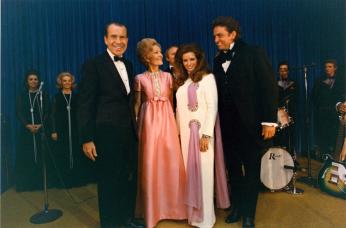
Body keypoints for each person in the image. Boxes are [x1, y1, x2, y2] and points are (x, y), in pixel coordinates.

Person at [212, 16, 278, 228]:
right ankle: (238, 208)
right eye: (214, 36)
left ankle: (249, 215)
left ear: (233, 34)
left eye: (220, 35)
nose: (216, 40)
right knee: (233, 171)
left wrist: (269, 121)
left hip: (251, 126)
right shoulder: (217, 60)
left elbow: (269, 87)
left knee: (250, 171)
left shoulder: (253, 52)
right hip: (227, 127)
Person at [77, 22, 139, 228]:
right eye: (114, 37)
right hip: (106, 134)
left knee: (127, 180)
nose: (118, 42)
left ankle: (126, 220)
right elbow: (85, 104)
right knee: (109, 183)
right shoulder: (93, 65)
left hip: (128, 133)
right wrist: (87, 138)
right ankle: (111, 224)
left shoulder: (128, 65)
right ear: (105, 39)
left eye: (122, 37)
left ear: (127, 40)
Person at [175, 43, 230, 228]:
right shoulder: (184, 82)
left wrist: (206, 135)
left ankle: (206, 219)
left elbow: (212, 107)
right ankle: (193, 217)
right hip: (185, 137)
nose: (188, 63)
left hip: (202, 136)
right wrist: (176, 133)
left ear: (199, 60)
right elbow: (178, 110)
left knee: (204, 176)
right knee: (190, 176)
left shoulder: (208, 78)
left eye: (192, 59)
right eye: (185, 60)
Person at [134, 38, 187, 228]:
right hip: (149, 126)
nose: (159, 55)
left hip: (167, 123)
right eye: (156, 52)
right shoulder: (139, 79)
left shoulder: (168, 77)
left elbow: (173, 103)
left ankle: (176, 208)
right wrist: (138, 129)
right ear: (147, 56)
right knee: (151, 165)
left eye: (159, 51)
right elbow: (137, 106)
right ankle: (152, 211)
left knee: (171, 163)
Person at [51, 72, 93, 188]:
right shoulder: (56, 97)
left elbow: (82, 113)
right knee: (63, 153)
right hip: (62, 130)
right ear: (61, 82)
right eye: (64, 81)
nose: (67, 83)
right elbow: (53, 115)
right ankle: (64, 181)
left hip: (75, 129)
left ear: (72, 82)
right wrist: (54, 131)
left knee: (76, 152)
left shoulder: (77, 96)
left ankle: (77, 179)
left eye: (69, 80)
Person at [15, 70, 51, 191]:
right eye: (31, 79)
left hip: (40, 129)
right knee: (27, 155)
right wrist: (27, 125)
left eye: (35, 79)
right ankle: (27, 184)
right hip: (27, 130)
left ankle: (41, 183)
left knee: (42, 155)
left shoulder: (43, 94)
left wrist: (41, 124)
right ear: (27, 81)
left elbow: (47, 111)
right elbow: (19, 112)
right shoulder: (22, 95)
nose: (33, 81)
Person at [312, 59, 344, 159]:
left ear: (335, 68)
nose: (327, 69)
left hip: (336, 114)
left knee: (335, 136)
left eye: (330, 67)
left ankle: (334, 157)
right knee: (323, 136)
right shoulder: (319, 81)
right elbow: (313, 97)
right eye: (326, 67)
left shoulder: (341, 81)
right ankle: (324, 156)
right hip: (323, 114)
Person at [274, 61, 298, 152]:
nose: (283, 72)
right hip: (278, 114)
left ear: (288, 71)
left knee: (290, 136)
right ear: (278, 71)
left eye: (285, 69)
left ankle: (291, 157)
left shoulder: (294, 83)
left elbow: (297, 98)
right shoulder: (274, 83)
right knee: (279, 136)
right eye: (281, 70)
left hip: (291, 113)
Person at [164, 45, 179, 110]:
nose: (177, 56)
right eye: (173, 54)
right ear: (167, 58)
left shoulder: (189, 71)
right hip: (172, 110)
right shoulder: (164, 74)